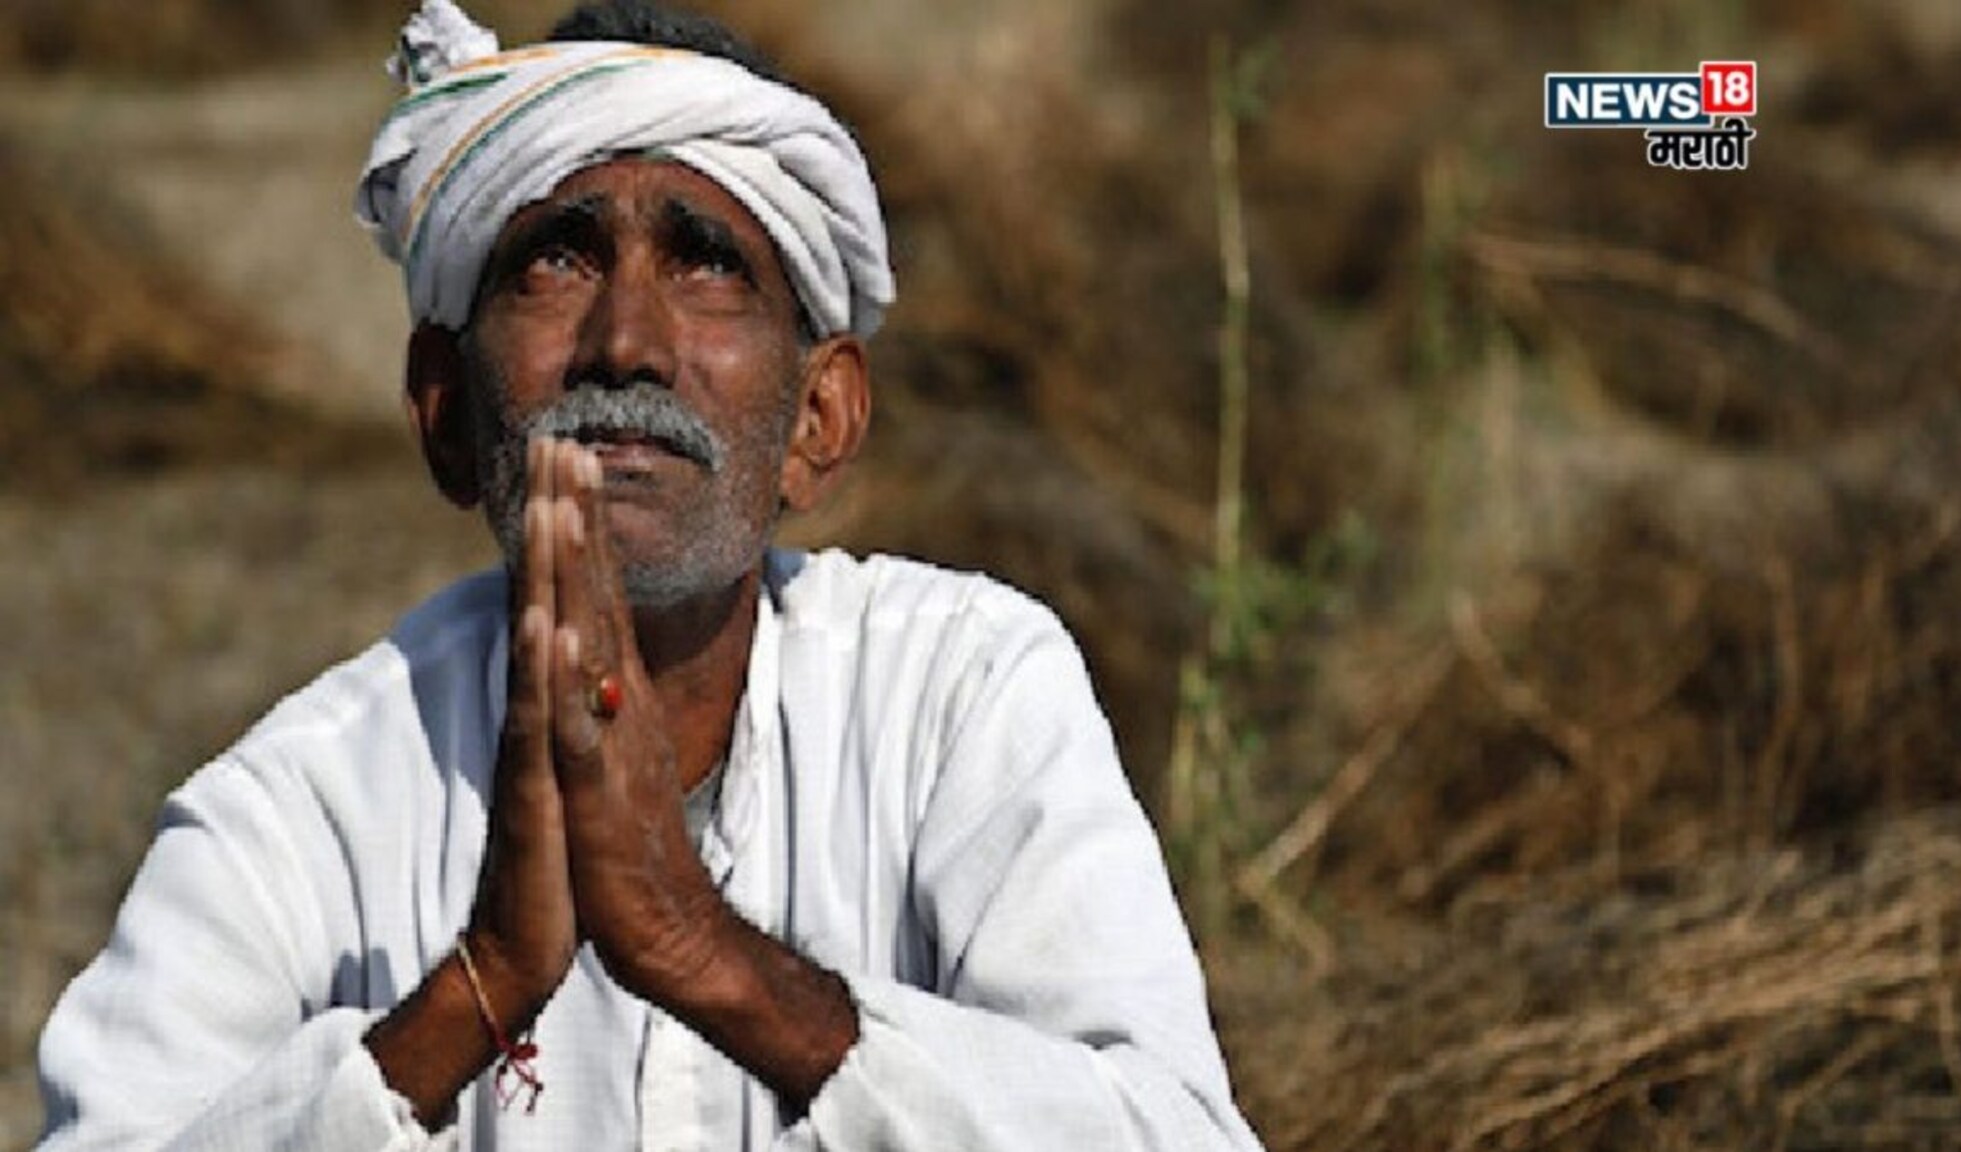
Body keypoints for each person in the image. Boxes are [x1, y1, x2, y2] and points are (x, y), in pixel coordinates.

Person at [34, 1, 1265, 1148]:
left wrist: (704, 953)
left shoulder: (962, 699)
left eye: (707, 265)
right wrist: (476, 990)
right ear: (447, 413)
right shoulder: (294, 815)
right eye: (557, 263)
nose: (625, 342)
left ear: (818, 422)